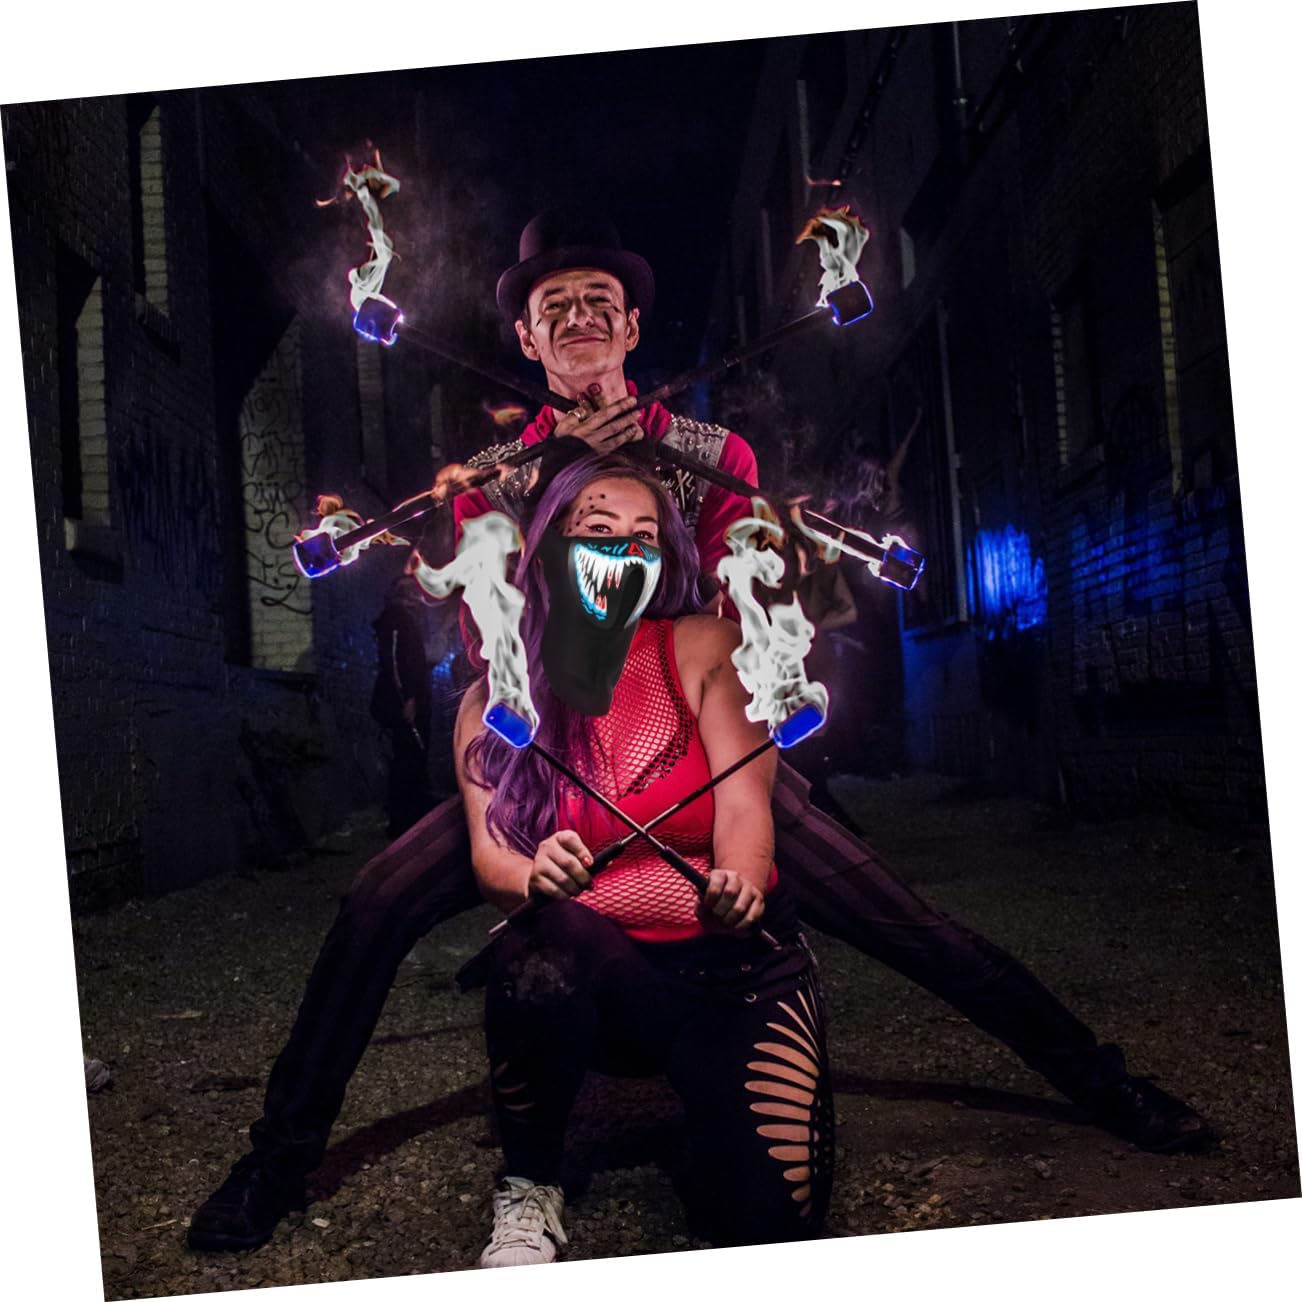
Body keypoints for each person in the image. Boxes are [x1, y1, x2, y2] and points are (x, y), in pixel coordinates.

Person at [187, 211, 1210, 1254]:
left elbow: (742, 609)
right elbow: (490, 630)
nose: (579, 318)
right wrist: (559, 478)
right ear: (527, 341)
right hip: (550, 758)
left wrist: (643, 477)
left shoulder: (715, 455)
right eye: (554, 307)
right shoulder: (489, 478)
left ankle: (1108, 1085)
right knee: (374, 902)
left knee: (911, 926)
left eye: (599, 302)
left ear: (632, 328)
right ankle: (276, 1161)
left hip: (689, 736)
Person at [458, 453, 832, 1264]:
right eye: (600, 530)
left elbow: (745, 805)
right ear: (549, 548)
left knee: (767, 1226)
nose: (627, 552)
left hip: (732, 972)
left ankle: (714, 1127)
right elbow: (489, 857)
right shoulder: (501, 693)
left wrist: (739, 881)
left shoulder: (709, 646)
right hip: (608, 979)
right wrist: (532, 876)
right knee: (538, 945)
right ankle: (530, 1181)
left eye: (646, 536)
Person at [370, 569, 437, 837]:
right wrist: (407, 699)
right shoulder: (396, 618)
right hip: (406, 704)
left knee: (413, 758)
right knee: (406, 760)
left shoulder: (408, 619)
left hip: (414, 701)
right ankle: (401, 821)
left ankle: (413, 818)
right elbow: (396, 663)